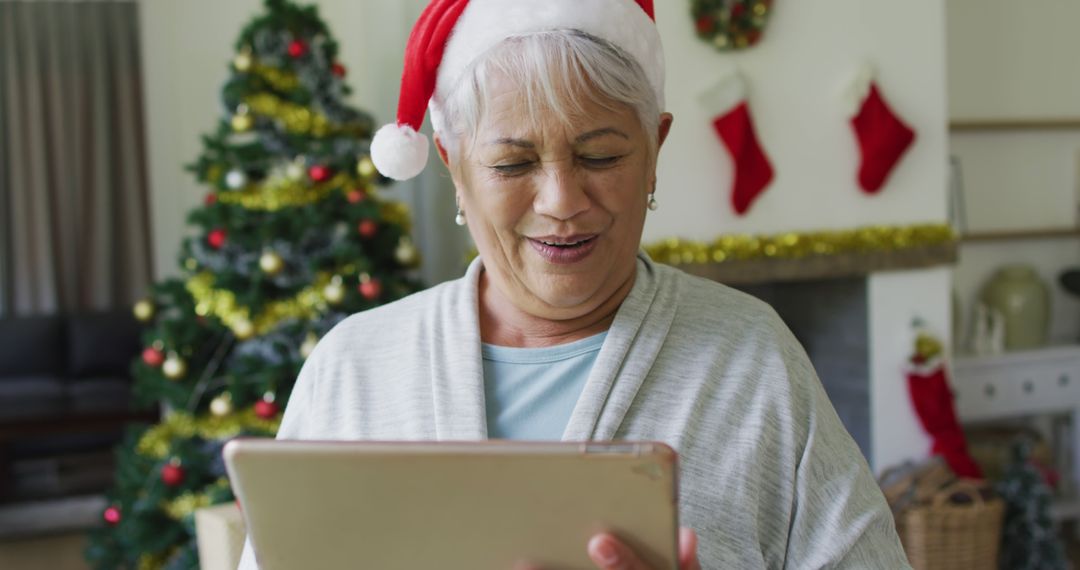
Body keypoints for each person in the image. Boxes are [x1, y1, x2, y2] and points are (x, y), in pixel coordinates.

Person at [239, 0, 911, 568]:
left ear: (654, 150)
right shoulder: (353, 369)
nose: (562, 200)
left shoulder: (751, 358)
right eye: (512, 163)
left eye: (601, 155)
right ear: (453, 165)